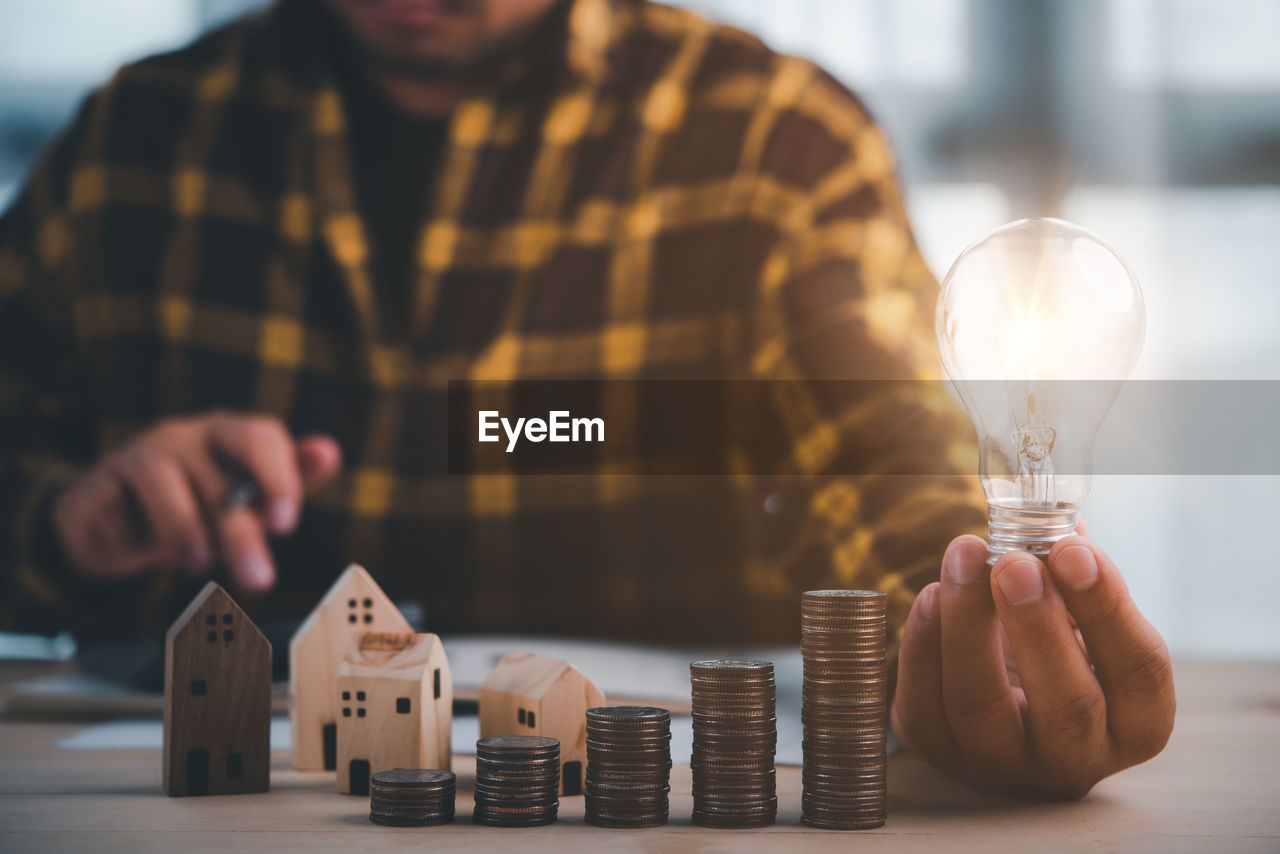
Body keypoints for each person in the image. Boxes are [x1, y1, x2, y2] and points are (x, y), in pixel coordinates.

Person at [0, 0, 1172, 797]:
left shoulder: (770, 140)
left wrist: (971, 638)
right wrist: (64, 518)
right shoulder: (129, 141)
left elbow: (884, 458)